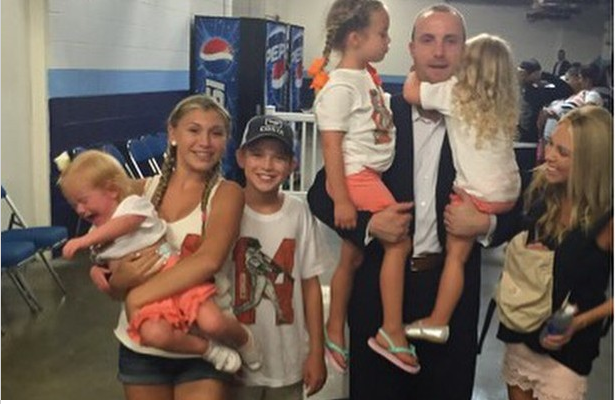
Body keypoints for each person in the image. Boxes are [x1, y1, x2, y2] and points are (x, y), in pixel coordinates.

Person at [307, 4, 518, 399]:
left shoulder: (486, 118)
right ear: (411, 49)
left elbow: (516, 205)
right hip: (378, 292)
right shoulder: (378, 110)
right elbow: (322, 193)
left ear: (464, 51)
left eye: (450, 41)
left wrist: (485, 225)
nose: (438, 52)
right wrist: (369, 224)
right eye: (428, 40)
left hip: (448, 297)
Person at [89, 94, 246, 399]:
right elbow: (111, 273)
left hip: (204, 348)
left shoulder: (227, 194)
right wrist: (111, 277)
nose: (205, 141)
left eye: (216, 133)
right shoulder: (137, 192)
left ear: (226, 141)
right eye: (194, 130)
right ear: (172, 133)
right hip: (142, 343)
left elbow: (208, 261)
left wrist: (137, 293)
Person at [59, 150, 261, 372]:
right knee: (153, 335)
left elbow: (127, 224)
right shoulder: (97, 232)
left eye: (83, 201)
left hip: (173, 275)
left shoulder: (132, 206)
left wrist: (85, 240)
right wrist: (98, 272)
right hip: (147, 294)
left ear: (112, 190)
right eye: (73, 205)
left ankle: (243, 339)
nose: (79, 210)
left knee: (212, 322)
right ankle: (208, 350)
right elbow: (106, 271)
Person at [307, 0, 418, 375]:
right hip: (358, 176)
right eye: (383, 33)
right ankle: (390, 328)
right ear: (355, 38)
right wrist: (341, 198)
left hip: (369, 174)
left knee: (352, 258)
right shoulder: (340, 85)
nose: (389, 41)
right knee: (400, 243)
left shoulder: (365, 77)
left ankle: (335, 328)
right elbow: (331, 147)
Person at [401, 33, 520, 335]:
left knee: (455, 258)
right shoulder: (502, 106)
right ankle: (439, 320)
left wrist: (414, 68)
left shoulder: (455, 94)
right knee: (460, 257)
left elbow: (412, 93)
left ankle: (438, 321)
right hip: (507, 191)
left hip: (476, 193)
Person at [497, 105, 613, 400]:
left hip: (566, 353)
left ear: (590, 162)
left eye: (563, 152)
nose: (549, 155)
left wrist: (579, 322)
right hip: (521, 333)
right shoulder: (542, 194)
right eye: (550, 144)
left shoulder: (606, 219)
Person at [230, 115, 327, 399]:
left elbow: (310, 285)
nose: (267, 166)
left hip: (287, 359)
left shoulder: (298, 213)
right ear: (240, 157)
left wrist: (317, 352)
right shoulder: (225, 209)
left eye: (279, 157)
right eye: (257, 154)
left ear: (292, 165)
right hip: (235, 360)